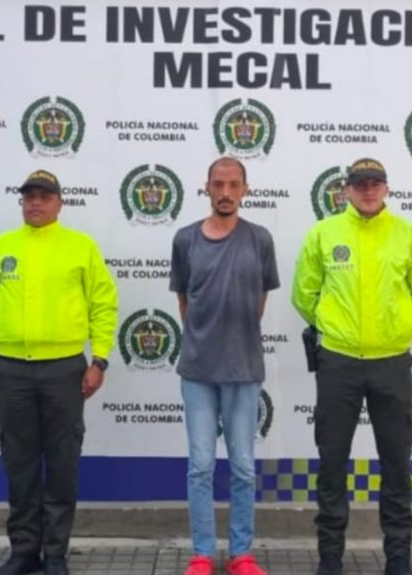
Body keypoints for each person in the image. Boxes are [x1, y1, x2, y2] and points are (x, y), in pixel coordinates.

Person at [0, 169, 118, 575]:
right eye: (28, 196)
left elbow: (103, 305)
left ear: (59, 203)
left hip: (65, 370)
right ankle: (24, 551)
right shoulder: (2, 248)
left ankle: (55, 554)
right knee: (20, 463)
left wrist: (99, 359)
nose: (35, 202)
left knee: (63, 463)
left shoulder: (80, 248)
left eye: (44, 196)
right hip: (12, 371)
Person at [291, 158, 412, 575]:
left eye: (375, 183)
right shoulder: (324, 233)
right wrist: (335, 329)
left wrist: (401, 323)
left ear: (386, 188)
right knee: (332, 462)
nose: (368, 190)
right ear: (346, 190)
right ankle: (330, 559)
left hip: (391, 363)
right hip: (338, 364)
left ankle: (399, 561)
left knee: (396, 463)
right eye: (360, 184)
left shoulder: (407, 234)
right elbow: (304, 294)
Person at [170, 157, 280, 575]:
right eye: (218, 184)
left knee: (243, 467)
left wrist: (236, 338)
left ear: (245, 189)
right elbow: (184, 301)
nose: (226, 192)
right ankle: (201, 554)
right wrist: (206, 338)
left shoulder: (260, 240)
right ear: (207, 187)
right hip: (197, 371)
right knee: (199, 466)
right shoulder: (185, 240)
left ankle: (241, 555)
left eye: (234, 184)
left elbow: (260, 299)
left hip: (244, 371)